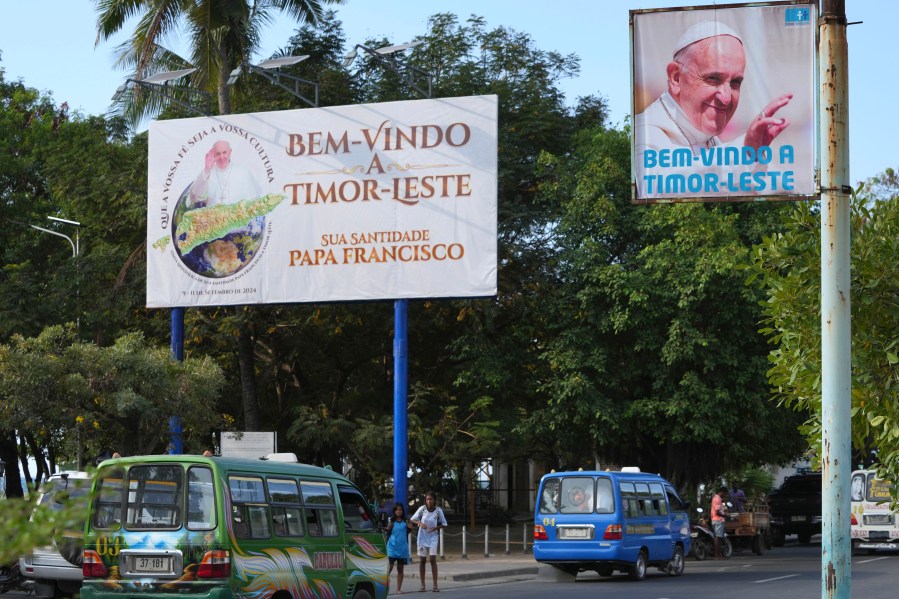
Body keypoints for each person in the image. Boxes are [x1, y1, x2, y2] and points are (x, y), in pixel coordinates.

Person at [634, 21, 794, 197]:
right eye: (713, 79)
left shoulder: (705, 136)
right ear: (676, 78)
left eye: (735, 83)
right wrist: (742, 153)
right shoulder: (644, 132)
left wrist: (754, 157)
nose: (725, 98)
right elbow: (656, 190)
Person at [189, 140, 262, 208]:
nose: (221, 157)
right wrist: (207, 169)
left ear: (230, 152)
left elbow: (254, 201)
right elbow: (196, 197)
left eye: (224, 152)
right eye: (218, 153)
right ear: (213, 154)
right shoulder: (208, 172)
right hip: (213, 219)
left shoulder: (243, 171)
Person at [410, 492, 447, 592]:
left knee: (432, 559)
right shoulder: (422, 509)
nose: (429, 501)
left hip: (433, 537)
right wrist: (420, 523)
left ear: (434, 500)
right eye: (427, 499)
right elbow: (413, 519)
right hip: (422, 537)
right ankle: (422, 585)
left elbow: (444, 523)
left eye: (431, 499)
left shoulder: (438, 511)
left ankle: (435, 585)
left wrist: (435, 528)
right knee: (422, 560)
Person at [385, 503, 410, 594]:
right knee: (390, 568)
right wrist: (388, 527)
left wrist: (410, 525)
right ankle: (385, 587)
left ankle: (398, 589)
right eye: (397, 510)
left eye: (400, 510)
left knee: (400, 568)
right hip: (392, 547)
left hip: (402, 548)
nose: (399, 511)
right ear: (394, 511)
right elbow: (386, 530)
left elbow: (410, 529)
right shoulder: (390, 520)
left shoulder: (405, 520)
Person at [711, 487, 729, 559]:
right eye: (725, 494)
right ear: (722, 492)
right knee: (718, 538)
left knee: (718, 537)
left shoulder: (715, 498)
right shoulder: (718, 499)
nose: (725, 495)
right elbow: (717, 512)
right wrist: (726, 515)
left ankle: (719, 554)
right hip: (718, 520)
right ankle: (717, 555)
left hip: (715, 519)